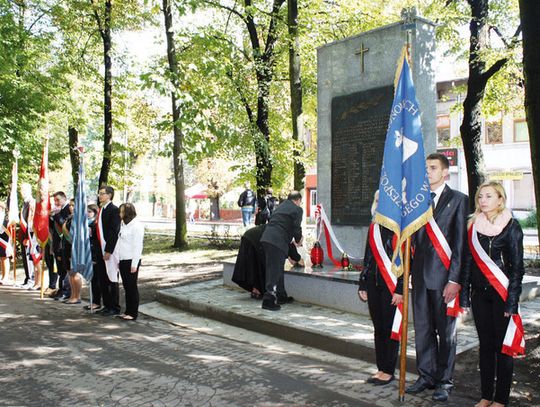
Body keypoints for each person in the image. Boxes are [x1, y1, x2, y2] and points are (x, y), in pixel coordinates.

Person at [406, 153, 469, 402]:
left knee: (446, 332)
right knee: (422, 329)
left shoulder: (459, 200)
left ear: (445, 172)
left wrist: (455, 280)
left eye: (433, 168)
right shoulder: (417, 201)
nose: (428, 172)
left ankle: (445, 380)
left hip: (444, 279)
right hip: (420, 277)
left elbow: (460, 244)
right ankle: (426, 375)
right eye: (426, 168)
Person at [460, 182, 525, 407]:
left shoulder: (512, 227)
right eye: (480, 197)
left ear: (500, 199)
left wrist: (512, 302)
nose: (483, 200)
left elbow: (517, 268)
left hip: (502, 295)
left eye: (489, 196)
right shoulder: (473, 227)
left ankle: (501, 399)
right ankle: (486, 396)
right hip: (480, 296)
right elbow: (467, 264)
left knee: (503, 348)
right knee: (486, 346)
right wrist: (465, 297)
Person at [358, 191, 403, 386]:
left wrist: (400, 289)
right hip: (374, 284)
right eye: (377, 200)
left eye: (383, 201)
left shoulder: (400, 228)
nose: (379, 204)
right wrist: (363, 282)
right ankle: (381, 368)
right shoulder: (373, 227)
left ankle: (389, 370)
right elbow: (368, 257)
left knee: (390, 328)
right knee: (378, 328)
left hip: (392, 286)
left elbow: (406, 261)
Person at [260, 191, 303, 311]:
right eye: (300, 202)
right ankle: (268, 300)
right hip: (277, 241)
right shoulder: (297, 209)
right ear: (298, 200)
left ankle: (281, 295)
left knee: (277, 268)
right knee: (274, 270)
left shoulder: (280, 207)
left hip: (267, 238)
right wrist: (299, 240)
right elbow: (296, 227)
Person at [232, 224, 298, 300]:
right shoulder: (287, 236)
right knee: (260, 265)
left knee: (253, 264)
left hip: (249, 236)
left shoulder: (278, 227)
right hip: (256, 239)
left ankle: (256, 290)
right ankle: (258, 290)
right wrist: (298, 260)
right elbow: (294, 256)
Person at [95, 186, 121, 316]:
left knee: (111, 278)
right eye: (99, 194)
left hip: (109, 250)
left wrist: (108, 250)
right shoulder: (101, 210)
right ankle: (106, 305)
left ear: (109, 195)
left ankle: (114, 306)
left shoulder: (114, 210)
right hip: (100, 249)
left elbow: (114, 232)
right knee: (102, 278)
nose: (100, 196)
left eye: (102, 194)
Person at [117, 203, 144, 321]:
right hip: (123, 259)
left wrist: (134, 264)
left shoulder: (136, 226)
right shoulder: (124, 225)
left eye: (122, 212)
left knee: (132, 287)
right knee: (126, 287)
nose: (120, 214)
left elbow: (138, 246)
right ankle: (127, 310)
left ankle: (133, 313)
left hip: (131, 260)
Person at [48, 191, 70, 299]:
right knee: (60, 269)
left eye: (58, 200)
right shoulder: (59, 210)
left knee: (64, 269)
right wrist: (50, 216)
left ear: (64, 198)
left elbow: (64, 224)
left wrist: (56, 215)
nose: (56, 202)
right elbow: (52, 226)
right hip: (57, 243)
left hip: (64, 243)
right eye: (55, 200)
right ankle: (61, 289)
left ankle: (65, 291)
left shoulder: (68, 209)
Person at [63, 199, 83, 304]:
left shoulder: (79, 219)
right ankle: (72, 295)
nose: (71, 207)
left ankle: (77, 296)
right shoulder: (70, 218)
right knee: (70, 273)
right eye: (70, 205)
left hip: (74, 249)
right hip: (66, 248)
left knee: (75, 274)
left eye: (74, 205)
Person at [84, 204, 102, 311]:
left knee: (96, 279)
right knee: (92, 279)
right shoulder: (85, 223)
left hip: (95, 254)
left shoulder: (96, 224)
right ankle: (94, 301)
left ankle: (97, 302)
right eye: (87, 212)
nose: (87, 214)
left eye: (90, 212)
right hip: (88, 253)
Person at [17, 183, 36, 288]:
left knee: (29, 258)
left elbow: (30, 222)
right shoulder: (24, 203)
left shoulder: (31, 203)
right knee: (25, 258)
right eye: (21, 190)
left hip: (29, 235)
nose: (22, 192)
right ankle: (27, 278)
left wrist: (28, 237)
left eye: (24, 190)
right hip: (23, 235)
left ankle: (31, 280)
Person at [0, 202, 13, 285]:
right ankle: (2, 275)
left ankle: (6, 277)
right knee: (1, 258)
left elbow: (8, 229)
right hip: (0, 238)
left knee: (5, 257)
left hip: (4, 239)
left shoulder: (6, 217)